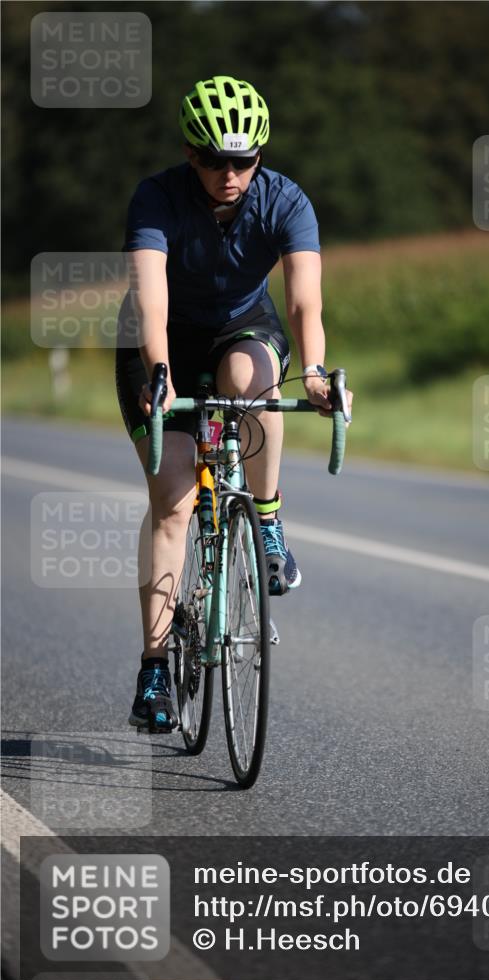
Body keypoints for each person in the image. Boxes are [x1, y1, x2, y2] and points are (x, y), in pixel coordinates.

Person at [115, 75, 348, 731]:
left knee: (252, 381)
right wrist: (159, 373)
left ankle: (266, 518)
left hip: (242, 327)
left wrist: (314, 373)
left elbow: (303, 301)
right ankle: (154, 667)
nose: (230, 175)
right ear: (190, 154)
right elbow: (151, 300)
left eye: (244, 161)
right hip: (159, 340)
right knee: (173, 500)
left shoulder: (284, 200)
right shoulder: (157, 198)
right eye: (216, 161)